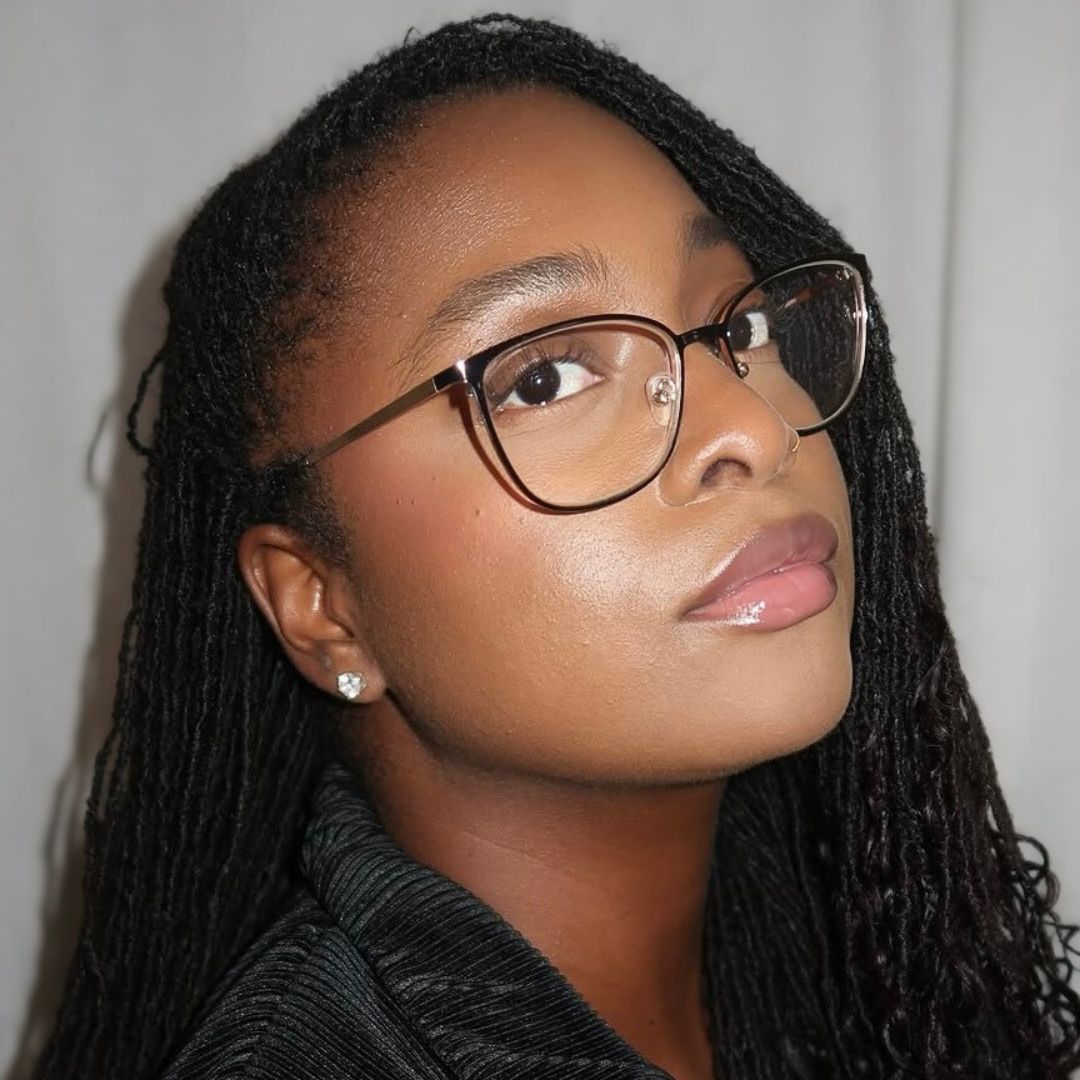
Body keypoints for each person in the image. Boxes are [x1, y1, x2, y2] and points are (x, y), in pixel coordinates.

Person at [34, 13, 1080, 1080]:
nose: (755, 430)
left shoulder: (837, 959)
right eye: (544, 378)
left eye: (738, 327)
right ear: (321, 604)